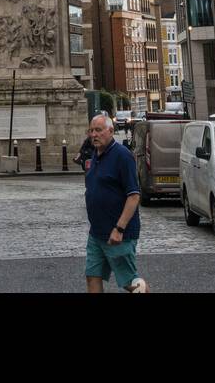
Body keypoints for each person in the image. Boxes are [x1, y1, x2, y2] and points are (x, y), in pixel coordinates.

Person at [83, 113, 147, 294]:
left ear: (111, 131)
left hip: (118, 235)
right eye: (91, 131)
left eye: (99, 130)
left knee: (130, 282)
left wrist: (119, 229)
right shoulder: (96, 155)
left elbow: (134, 196)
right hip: (97, 233)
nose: (94, 135)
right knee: (92, 275)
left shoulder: (122, 156)